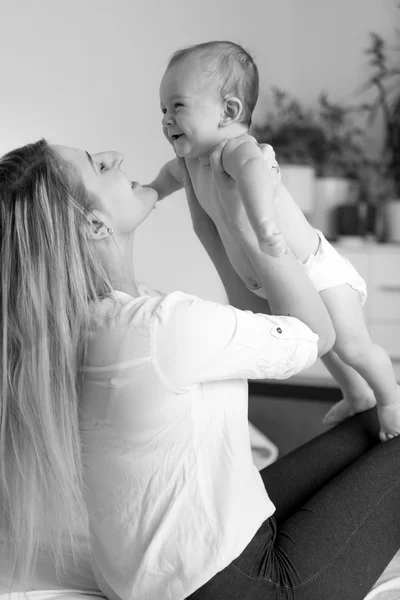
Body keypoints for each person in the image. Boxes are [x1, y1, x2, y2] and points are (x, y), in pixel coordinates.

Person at [1, 138, 400, 600]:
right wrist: (258, 215)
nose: (114, 155)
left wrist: (210, 217)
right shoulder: (156, 328)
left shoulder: (102, 322)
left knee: (377, 418)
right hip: (246, 587)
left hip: (187, 571)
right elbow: (315, 335)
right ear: (93, 225)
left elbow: (256, 316)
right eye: (96, 165)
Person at [148, 40, 400, 440]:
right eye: (163, 109)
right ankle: (356, 394)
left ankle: (389, 398)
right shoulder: (190, 164)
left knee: (352, 346)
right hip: (275, 280)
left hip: (315, 268)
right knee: (321, 345)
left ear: (229, 111)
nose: (166, 119)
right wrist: (149, 192)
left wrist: (264, 222)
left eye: (177, 106)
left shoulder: (237, 149)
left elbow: (253, 173)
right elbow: (165, 179)